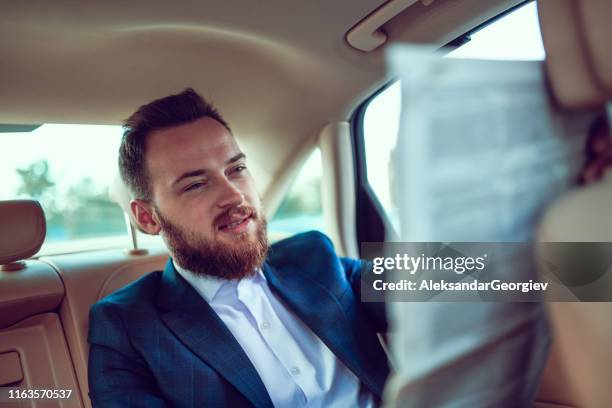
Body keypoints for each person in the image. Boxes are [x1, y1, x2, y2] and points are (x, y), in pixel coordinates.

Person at [87, 88, 389, 407]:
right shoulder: (126, 327)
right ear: (148, 217)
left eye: (236, 170)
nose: (234, 195)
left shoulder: (314, 258)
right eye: (196, 184)